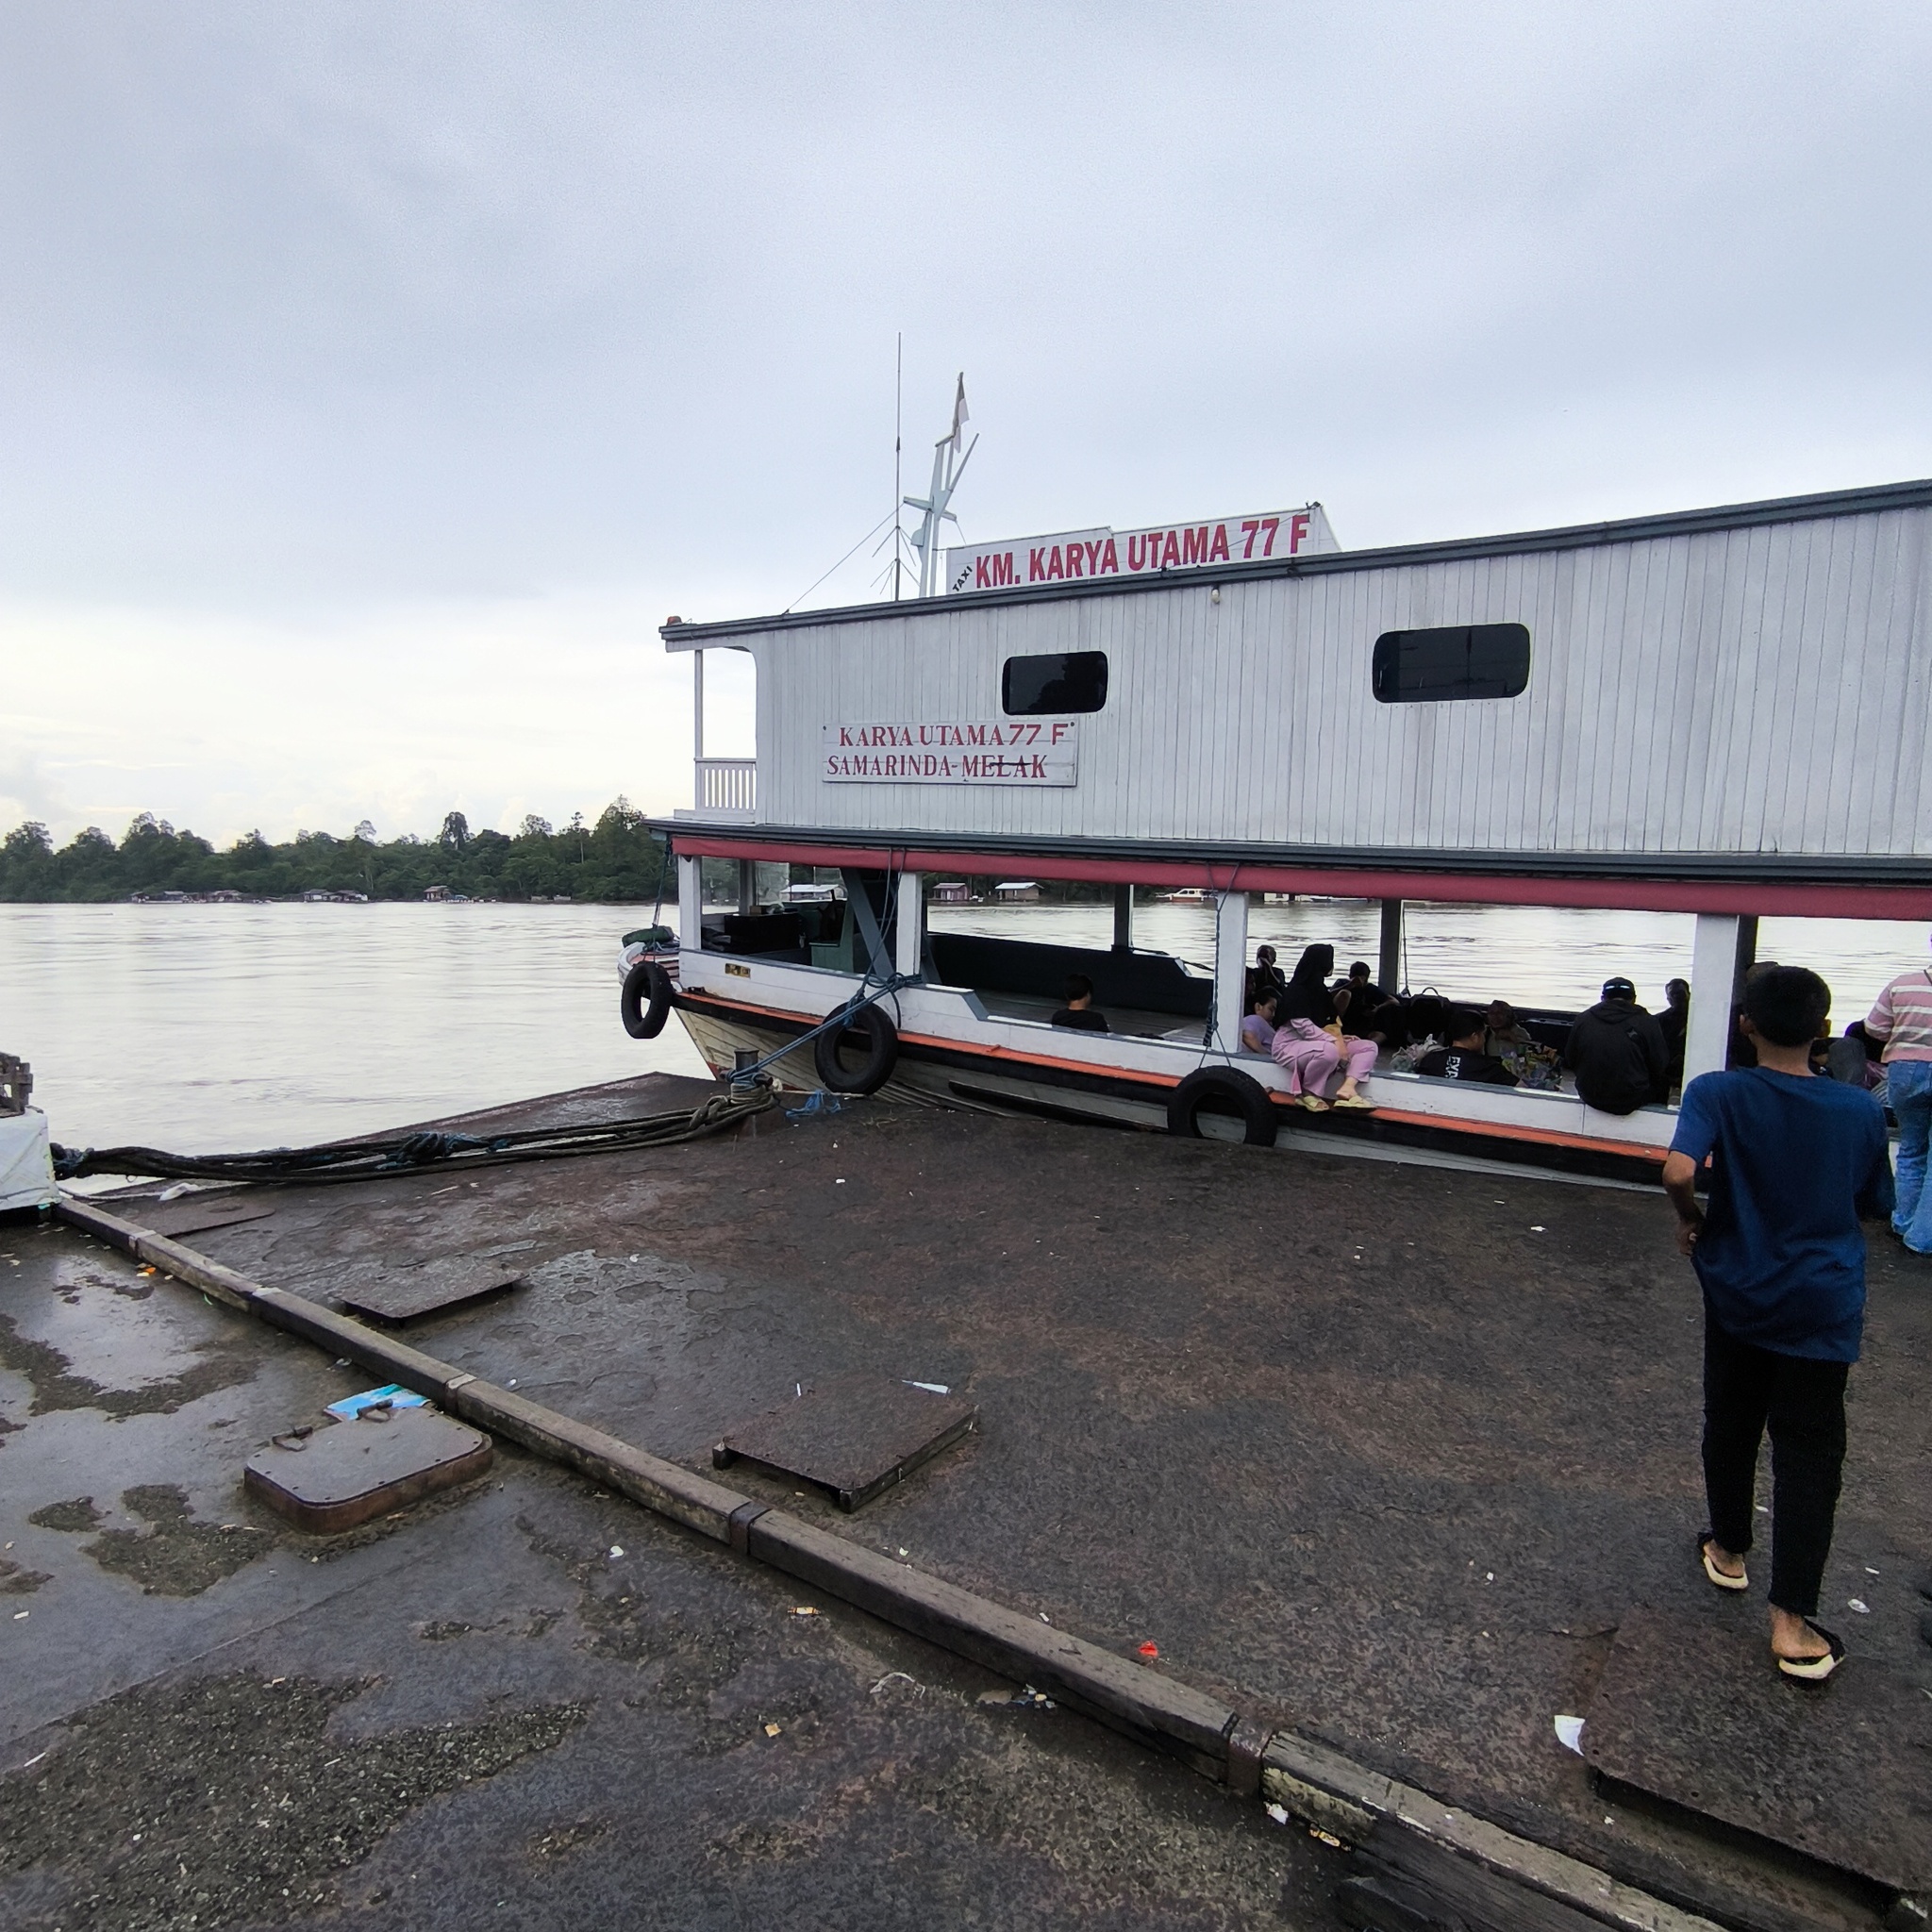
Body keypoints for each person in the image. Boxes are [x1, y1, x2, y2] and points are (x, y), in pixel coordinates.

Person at [1661, 965, 1893, 1680]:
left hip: (1738, 1291)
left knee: (1730, 1422)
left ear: (1746, 1026)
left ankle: (1729, 1549)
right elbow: (1876, 1202)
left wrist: (1694, 1221)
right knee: (1810, 1457)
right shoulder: (1857, 1109)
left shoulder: (1718, 1092)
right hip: (1822, 1304)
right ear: (1824, 1031)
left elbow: (1676, 1171)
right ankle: (1792, 1624)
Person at [1863, 935, 1932, 1255]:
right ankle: (1923, 1236)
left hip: (1906, 1071)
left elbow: (1874, 1028)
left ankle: (1902, 1222)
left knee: (1911, 1148)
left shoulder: (1902, 985)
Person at [1270, 943, 1376, 1111]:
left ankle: (1348, 1088)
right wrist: (1335, 1042)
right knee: (1329, 1051)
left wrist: (1341, 1038)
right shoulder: (1296, 990)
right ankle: (1308, 1092)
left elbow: (1330, 1022)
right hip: (1289, 1045)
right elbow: (1303, 1026)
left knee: (1368, 1046)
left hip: (1319, 1041)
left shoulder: (1320, 990)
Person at [1563, 976, 1668, 1113]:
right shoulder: (1648, 1021)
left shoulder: (1583, 1019)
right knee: (1664, 1082)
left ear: (1603, 998)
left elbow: (1570, 1058)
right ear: (1634, 999)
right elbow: (1660, 1063)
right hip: (1631, 1098)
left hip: (1590, 1095)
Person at [1417, 1011, 1520, 1087]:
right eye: (1483, 1034)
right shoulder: (1488, 1067)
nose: (1484, 1040)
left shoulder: (1430, 1060)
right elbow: (1520, 1088)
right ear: (1475, 1037)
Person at [1657, 978, 1691, 1091]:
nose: (1677, 998)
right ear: (1668, 999)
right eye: (1673, 994)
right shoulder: (1658, 1021)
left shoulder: (1701, 1017)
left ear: (1689, 995)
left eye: (1680, 994)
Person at [1245, 944, 1287, 1013]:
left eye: (1266, 957)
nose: (1262, 959)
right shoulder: (1254, 972)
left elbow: (1279, 986)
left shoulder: (1278, 972)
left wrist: (1267, 967)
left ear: (1273, 960)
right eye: (1259, 956)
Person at [1240, 990, 1278, 1057]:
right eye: (1271, 1009)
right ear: (1258, 1007)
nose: (1273, 1014)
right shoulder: (1255, 1019)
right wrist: (1267, 1056)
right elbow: (1246, 1035)